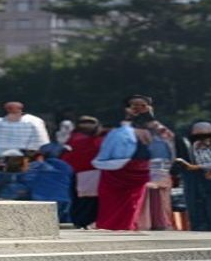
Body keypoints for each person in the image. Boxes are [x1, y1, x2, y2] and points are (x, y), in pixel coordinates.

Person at [93, 96, 155, 231]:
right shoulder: (116, 122)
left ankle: (127, 224)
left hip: (137, 166)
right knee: (112, 198)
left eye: (142, 105)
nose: (138, 108)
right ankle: (110, 224)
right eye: (134, 105)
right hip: (114, 167)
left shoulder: (152, 124)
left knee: (133, 199)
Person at [62, 116, 105, 229]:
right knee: (89, 199)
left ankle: (81, 221)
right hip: (89, 172)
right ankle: (85, 221)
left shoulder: (73, 138)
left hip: (83, 172)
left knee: (83, 198)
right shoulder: (97, 140)